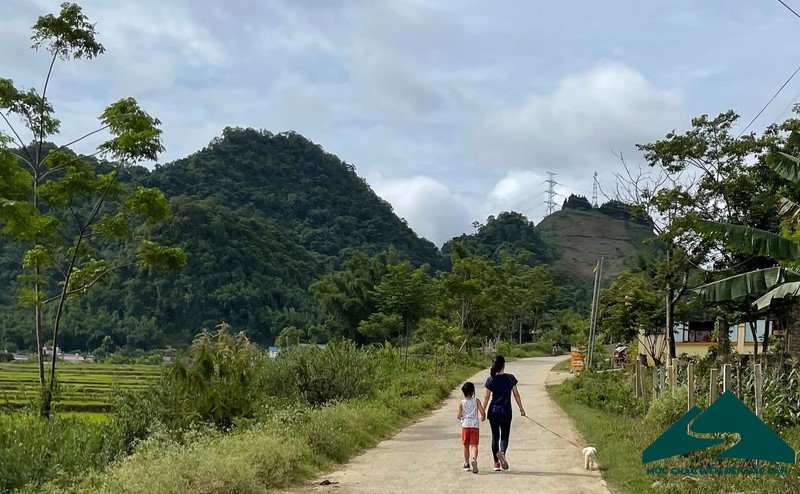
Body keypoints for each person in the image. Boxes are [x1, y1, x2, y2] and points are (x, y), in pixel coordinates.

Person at [483, 355, 525, 472]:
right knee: (505, 436)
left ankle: (496, 464)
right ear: (504, 365)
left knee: (495, 437)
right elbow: (516, 394)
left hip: (493, 411)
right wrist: (521, 409)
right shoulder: (510, 378)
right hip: (506, 411)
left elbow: (486, 397)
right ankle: (502, 452)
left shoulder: (490, 379)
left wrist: (482, 411)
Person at [457, 381, 486, 473]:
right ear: (473, 391)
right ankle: (474, 459)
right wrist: (483, 417)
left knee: (465, 445)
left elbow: (458, 416)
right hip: (474, 425)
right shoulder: (476, 401)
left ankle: (466, 464)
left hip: (465, 425)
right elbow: (482, 412)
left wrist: (461, 416)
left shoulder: (461, 403)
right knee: (474, 445)